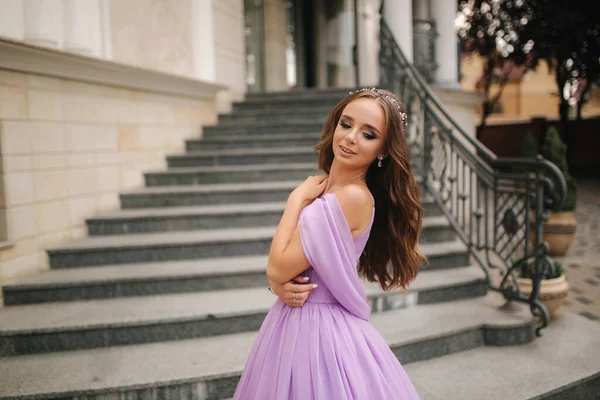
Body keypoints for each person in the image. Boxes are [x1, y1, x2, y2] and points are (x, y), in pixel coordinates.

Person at [233, 88, 425, 399]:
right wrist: (279, 287)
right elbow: (295, 267)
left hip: (319, 332)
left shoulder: (349, 198)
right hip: (295, 318)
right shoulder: (327, 190)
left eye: (368, 134)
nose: (350, 138)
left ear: (383, 151)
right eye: (346, 124)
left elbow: (278, 265)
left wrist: (295, 200)